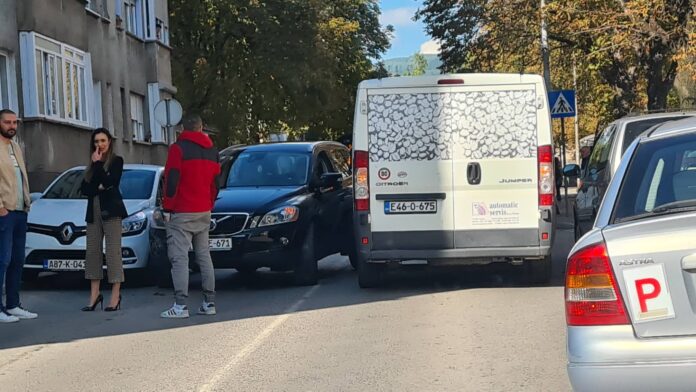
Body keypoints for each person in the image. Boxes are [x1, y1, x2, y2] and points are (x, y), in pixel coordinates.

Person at [160, 114, 221, 319]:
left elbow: (172, 180)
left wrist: (167, 208)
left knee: (179, 258)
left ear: (182, 129)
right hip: (204, 209)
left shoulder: (178, 149)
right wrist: (209, 203)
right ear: (201, 127)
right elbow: (216, 183)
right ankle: (209, 303)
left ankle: (180, 306)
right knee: (204, 255)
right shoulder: (213, 151)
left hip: (182, 211)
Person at [80, 128, 127, 312]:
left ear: (109, 142)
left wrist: (99, 167)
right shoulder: (91, 164)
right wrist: (99, 182)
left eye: (102, 141)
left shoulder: (116, 161)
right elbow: (85, 189)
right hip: (93, 211)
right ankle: (94, 295)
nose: (99, 145)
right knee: (93, 251)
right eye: (96, 141)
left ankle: (115, 295)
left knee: (113, 252)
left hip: (112, 210)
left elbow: (110, 183)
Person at [0, 109, 37, 323]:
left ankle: (13, 304)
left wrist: (27, 202)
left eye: (15, 122)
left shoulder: (15, 147)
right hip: (4, 212)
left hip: (20, 211)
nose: (12, 126)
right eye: (7, 122)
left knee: (17, 260)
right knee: (2, 260)